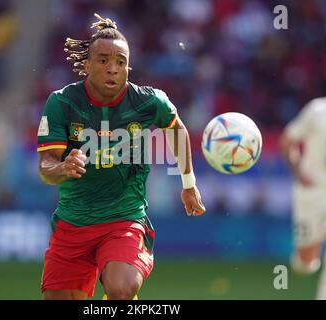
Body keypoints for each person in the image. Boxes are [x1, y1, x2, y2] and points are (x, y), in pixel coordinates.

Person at [37, 13, 206, 300]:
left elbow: (176, 130)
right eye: (103, 60)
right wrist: (62, 167)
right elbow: (45, 166)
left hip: (123, 219)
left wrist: (188, 184)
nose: (113, 69)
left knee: (121, 287)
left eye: (121, 62)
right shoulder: (62, 102)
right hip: (72, 223)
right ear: (87, 65)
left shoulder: (148, 101)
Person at [280, 96, 326, 300]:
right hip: (312, 193)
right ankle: (303, 258)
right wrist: (298, 172)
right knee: (305, 262)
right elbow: (287, 141)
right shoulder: (318, 110)